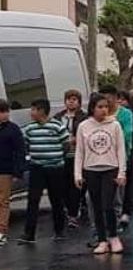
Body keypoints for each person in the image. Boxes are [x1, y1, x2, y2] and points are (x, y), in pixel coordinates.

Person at [74, 94, 127, 254]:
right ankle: (102, 240)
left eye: (106, 107)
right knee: (95, 206)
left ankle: (113, 236)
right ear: (92, 108)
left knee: (108, 204)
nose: (104, 110)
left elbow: (120, 149)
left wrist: (122, 172)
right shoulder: (83, 126)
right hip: (91, 169)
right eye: (100, 107)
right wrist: (78, 174)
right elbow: (80, 151)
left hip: (110, 168)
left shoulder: (114, 125)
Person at [18, 99, 70, 244]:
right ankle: (29, 233)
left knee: (56, 200)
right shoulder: (29, 129)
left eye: (33, 109)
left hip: (55, 168)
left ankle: (59, 231)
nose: (31, 112)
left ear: (41, 111)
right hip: (37, 168)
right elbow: (26, 145)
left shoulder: (57, 126)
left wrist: (57, 157)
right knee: (33, 200)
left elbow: (66, 144)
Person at [98, 85, 133, 227]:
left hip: (119, 157)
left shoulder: (125, 114)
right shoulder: (99, 113)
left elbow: (127, 133)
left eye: (108, 98)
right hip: (101, 157)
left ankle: (117, 221)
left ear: (115, 98)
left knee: (117, 192)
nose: (105, 102)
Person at [53, 89, 88, 229]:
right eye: (68, 99)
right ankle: (70, 208)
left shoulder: (84, 117)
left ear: (79, 102)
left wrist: (76, 139)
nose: (71, 102)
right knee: (63, 186)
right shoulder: (58, 117)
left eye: (74, 99)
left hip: (77, 155)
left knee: (75, 185)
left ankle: (73, 214)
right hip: (61, 155)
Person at [0, 99, 24, 246]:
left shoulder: (13, 129)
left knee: (3, 200)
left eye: (5, 111)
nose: (4, 115)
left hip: (6, 170)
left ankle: (2, 231)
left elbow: (20, 151)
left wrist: (17, 171)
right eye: (1, 112)